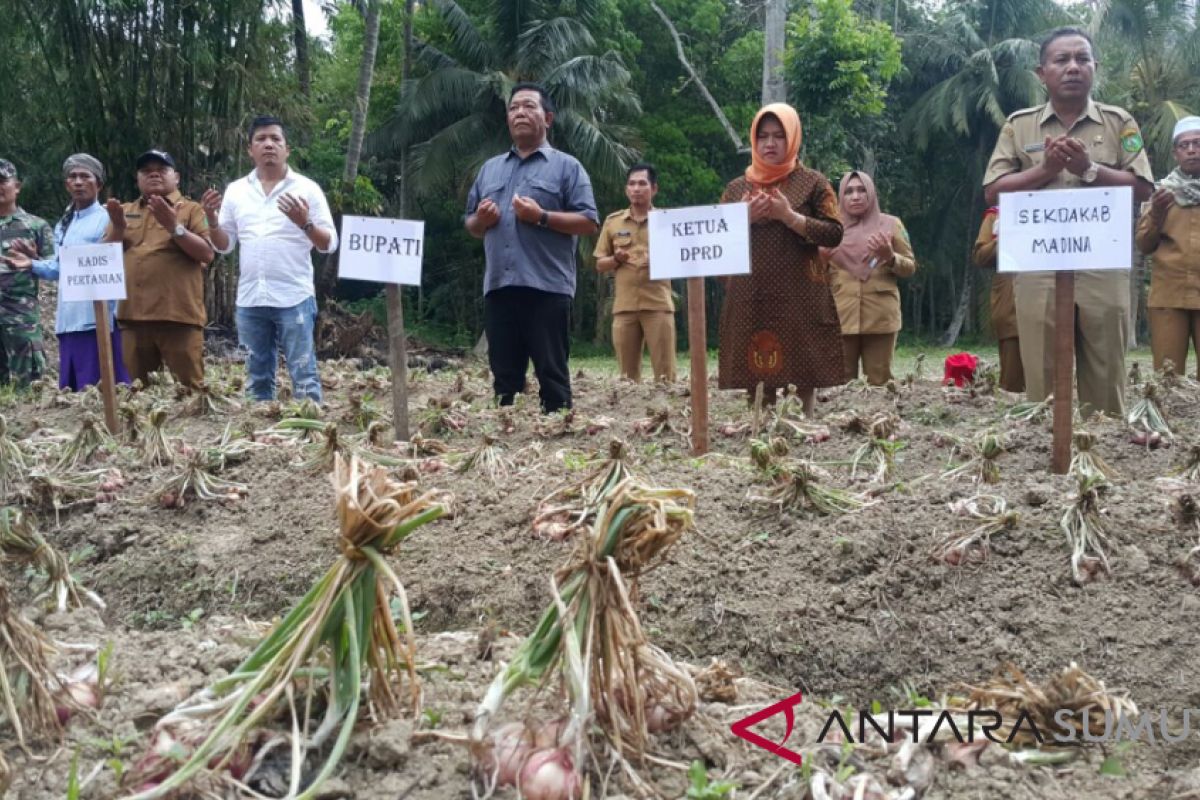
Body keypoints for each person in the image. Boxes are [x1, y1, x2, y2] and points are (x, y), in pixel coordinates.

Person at [983, 27, 1153, 417]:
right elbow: (993, 192)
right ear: (1042, 73)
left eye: (1082, 59)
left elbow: (1143, 187)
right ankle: (1046, 449)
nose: (1073, 67)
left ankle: (1103, 446)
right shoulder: (1019, 125)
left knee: (1106, 363)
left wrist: (1089, 169)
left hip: (1102, 265)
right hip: (1038, 263)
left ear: (1095, 68)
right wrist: (1046, 169)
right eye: (1061, 60)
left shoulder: (1119, 122)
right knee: (1041, 367)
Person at [465, 83, 599, 412]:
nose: (520, 113)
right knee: (504, 377)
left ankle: (558, 433)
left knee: (552, 374)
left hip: (547, 287)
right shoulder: (490, 169)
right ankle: (504, 434)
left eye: (528, 106)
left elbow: (589, 222)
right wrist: (482, 220)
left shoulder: (568, 167)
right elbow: (470, 225)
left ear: (547, 118)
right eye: (513, 108)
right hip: (499, 285)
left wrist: (541, 217)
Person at [718, 103, 844, 416]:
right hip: (751, 290)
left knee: (803, 355)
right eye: (763, 137)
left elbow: (835, 233)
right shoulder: (736, 188)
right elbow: (715, 240)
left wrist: (789, 217)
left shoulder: (814, 182)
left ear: (793, 139)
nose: (770, 143)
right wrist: (742, 218)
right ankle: (760, 425)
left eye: (778, 136)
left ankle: (804, 422)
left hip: (800, 289)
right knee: (754, 357)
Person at [202, 115, 338, 403]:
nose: (268, 144)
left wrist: (305, 223)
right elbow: (225, 245)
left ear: (287, 149)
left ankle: (310, 436)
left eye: (276, 139)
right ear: (249, 150)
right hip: (251, 299)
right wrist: (212, 221)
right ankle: (260, 435)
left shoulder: (307, 189)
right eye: (261, 139)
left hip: (294, 296)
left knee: (303, 372)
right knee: (257, 376)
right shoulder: (237, 190)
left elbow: (329, 244)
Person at [5, 154, 131, 391]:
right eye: (73, 177)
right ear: (66, 184)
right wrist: (33, 263)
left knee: (101, 391)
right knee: (74, 395)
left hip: (96, 321)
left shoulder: (106, 218)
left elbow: (105, 258)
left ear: (99, 184)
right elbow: (62, 268)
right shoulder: (65, 222)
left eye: (85, 176)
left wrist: (119, 228)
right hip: (68, 320)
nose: (78, 182)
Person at [106, 149, 214, 388]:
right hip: (132, 318)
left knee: (191, 391)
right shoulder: (124, 211)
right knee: (135, 395)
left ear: (176, 177)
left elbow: (207, 253)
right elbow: (103, 258)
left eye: (161, 170)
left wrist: (174, 226)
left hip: (179, 317)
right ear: (137, 178)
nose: (153, 175)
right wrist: (117, 229)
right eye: (146, 171)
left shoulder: (192, 210)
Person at [823, 170, 916, 385]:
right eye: (849, 191)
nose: (855, 196)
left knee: (880, 382)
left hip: (880, 317)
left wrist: (891, 257)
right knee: (841, 384)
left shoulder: (892, 225)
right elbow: (818, 276)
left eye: (861, 190)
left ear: (872, 194)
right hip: (841, 316)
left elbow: (910, 267)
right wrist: (821, 259)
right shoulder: (831, 229)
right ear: (841, 197)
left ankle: (880, 419)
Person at [594, 163, 676, 382]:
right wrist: (615, 259)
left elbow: (682, 260)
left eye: (642, 183)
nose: (636, 188)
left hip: (657, 303)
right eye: (631, 184)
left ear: (654, 189)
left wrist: (658, 259)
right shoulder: (613, 222)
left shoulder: (668, 221)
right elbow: (600, 264)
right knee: (627, 379)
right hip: (625, 307)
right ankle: (632, 416)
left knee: (665, 375)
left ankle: (666, 413)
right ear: (626, 189)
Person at [1136, 116, 1200, 377]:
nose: (1192, 150)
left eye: (1197, 143)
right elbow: (1143, 245)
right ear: (1175, 153)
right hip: (1168, 294)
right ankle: (1169, 418)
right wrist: (1157, 215)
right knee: (1167, 376)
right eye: (1184, 145)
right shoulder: (1161, 193)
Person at [0, 159, 54, 387]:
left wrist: (35, 260)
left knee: (29, 387)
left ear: (17, 186)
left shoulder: (36, 226)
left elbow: (55, 269)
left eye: (2, 181)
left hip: (21, 317)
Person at [971, 207, 1025, 392]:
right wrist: (1004, 239)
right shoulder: (997, 215)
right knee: (1013, 378)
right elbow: (980, 256)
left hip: (1055, 295)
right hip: (1011, 300)